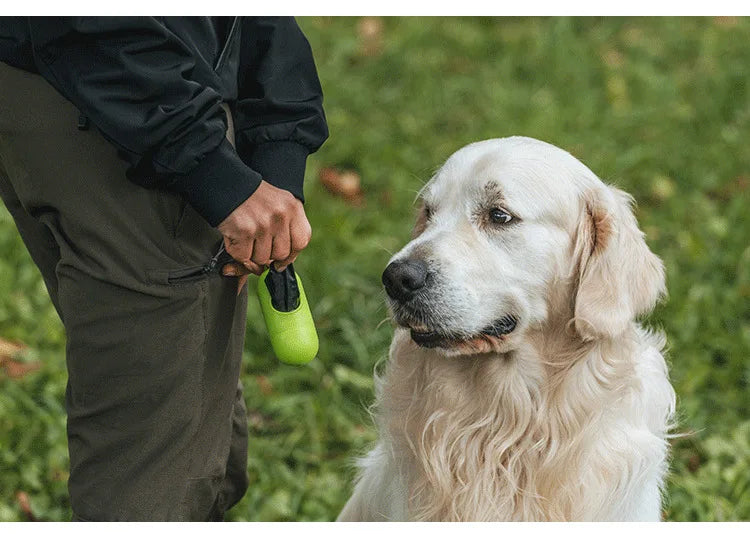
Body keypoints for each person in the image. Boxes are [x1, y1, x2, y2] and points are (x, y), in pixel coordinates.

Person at [0, 16, 328, 520]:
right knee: (156, 474)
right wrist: (206, 165)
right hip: (123, 90)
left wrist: (277, 149)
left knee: (185, 397)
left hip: (71, 70)